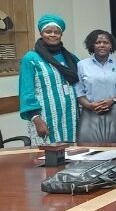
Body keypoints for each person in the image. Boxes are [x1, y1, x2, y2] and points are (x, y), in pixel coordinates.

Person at [19, 14, 79, 145]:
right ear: (41, 33)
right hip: (45, 118)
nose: (52, 35)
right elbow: (26, 91)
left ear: (61, 34)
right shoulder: (31, 58)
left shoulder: (70, 57)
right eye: (48, 31)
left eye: (56, 32)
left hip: (71, 117)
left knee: (73, 158)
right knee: (47, 159)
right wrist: (36, 119)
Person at [76, 29, 116, 115]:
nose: (102, 45)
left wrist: (113, 100)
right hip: (90, 112)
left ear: (111, 45)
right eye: (98, 42)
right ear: (92, 45)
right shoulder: (82, 65)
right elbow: (79, 92)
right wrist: (90, 105)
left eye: (106, 42)